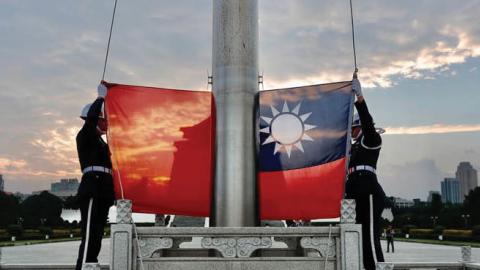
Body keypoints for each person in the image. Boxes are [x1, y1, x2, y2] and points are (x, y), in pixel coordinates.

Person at [345, 73, 386, 270]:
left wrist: (359, 98)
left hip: (368, 190)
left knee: (370, 235)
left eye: (353, 128)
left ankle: (376, 268)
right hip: (355, 189)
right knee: (358, 234)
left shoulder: (370, 139)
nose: (351, 132)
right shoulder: (353, 148)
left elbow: (368, 123)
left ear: (358, 127)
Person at [75, 83, 115, 270]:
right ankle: (82, 266)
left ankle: (91, 263)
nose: (107, 123)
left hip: (104, 189)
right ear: (97, 120)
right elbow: (90, 121)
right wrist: (100, 99)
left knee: (98, 233)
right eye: (104, 120)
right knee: (90, 232)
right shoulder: (85, 135)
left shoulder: (102, 142)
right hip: (92, 186)